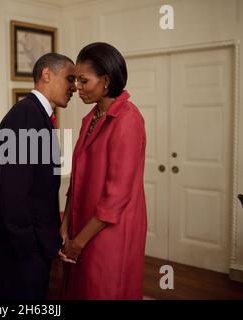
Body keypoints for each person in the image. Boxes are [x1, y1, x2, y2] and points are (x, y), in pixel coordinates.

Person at [0, 53, 76, 299]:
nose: (74, 87)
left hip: (33, 242)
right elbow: (13, 192)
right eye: (70, 79)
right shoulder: (24, 117)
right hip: (20, 247)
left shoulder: (38, 115)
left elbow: (39, 187)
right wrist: (29, 246)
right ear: (47, 75)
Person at [59, 42, 147, 300]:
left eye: (84, 81)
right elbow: (77, 178)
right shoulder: (93, 116)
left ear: (106, 81)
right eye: (76, 80)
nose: (77, 87)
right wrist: (66, 224)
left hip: (110, 229)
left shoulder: (128, 120)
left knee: (105, 288)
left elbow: (116, 196)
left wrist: (78, 243)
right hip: (84, 221)